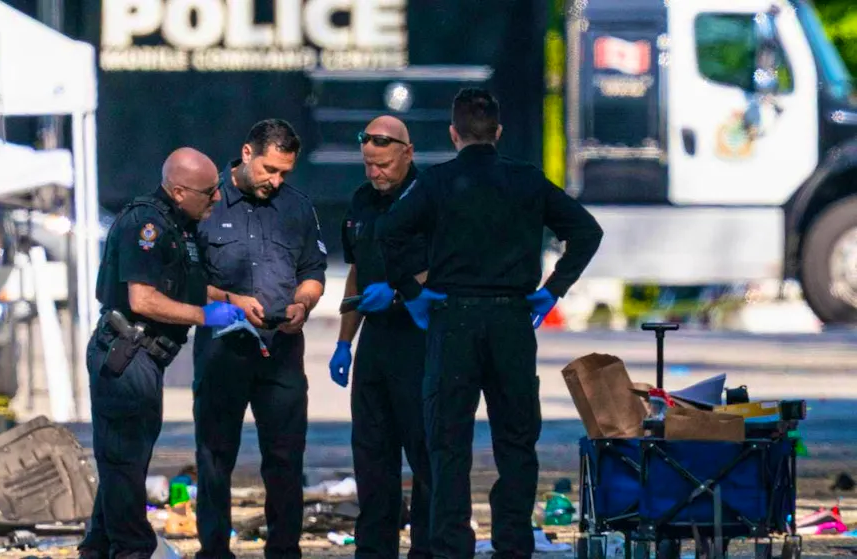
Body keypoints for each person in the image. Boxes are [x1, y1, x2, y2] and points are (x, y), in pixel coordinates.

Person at [376, 88, 604, 558]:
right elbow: (586, 231)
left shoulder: (438, 182)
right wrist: (553, 288)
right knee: (517, 441)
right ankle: (513, 542)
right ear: (498, 134)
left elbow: (390, 231)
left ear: (453, 133)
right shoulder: (527, 181)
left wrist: (414, 293)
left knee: (448, 443)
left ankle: (451, 544)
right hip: (511, 321)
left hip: (453, 319)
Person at [79, 147, 246, 559]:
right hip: (125, 352)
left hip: (148, 358)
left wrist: (234, 300)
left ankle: (98, 548)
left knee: (128, 463)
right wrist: (204, 316)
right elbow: (143, 299)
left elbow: (185, 283)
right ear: (178, 190)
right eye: (208, 192)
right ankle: (133, 549)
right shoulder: (146, 224)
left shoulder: (180, 226)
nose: (217, 198)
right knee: (123, 463)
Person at [192, 119, 327, 559]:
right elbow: (185, 282)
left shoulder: (298, 208)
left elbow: (312, 273)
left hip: (282, 351)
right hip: (222, 349)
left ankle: (285, 549)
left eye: (285, 172)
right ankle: (214, 550)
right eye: (270, 169)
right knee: (215, 458)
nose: (276, 180)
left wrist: (302, 305)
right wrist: (229, 299)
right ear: (247, 154)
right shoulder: (206, 204)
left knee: (286, 459)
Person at [329, 116, 433, 559]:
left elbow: (447, 267)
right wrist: (343, 342)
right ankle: (374, 551)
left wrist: (399, 294)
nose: (376, 174)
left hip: (421, 341)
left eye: (384, 165)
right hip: (375, 344)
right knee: (372, 458)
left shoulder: (432, 198)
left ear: (407, 154)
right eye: (369, 165)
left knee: (426, 458)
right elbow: (356, 271)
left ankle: (427, 550)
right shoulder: (361, 202)